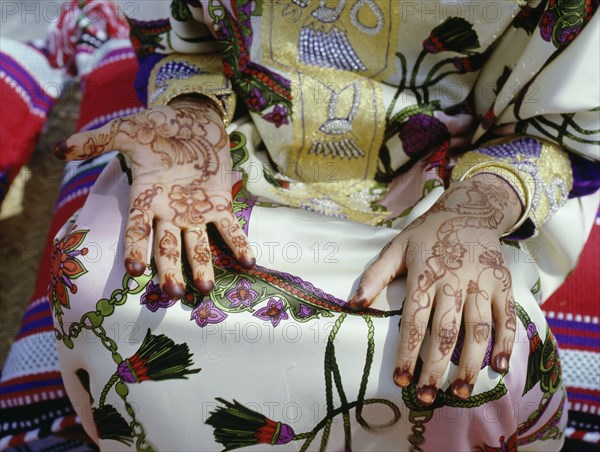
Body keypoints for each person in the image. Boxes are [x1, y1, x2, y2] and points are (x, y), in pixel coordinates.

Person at [47, 0, 599, 450]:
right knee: (97, 280)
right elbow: (185, 38)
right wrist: (192, 113)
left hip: (456, 177)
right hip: (235, 145)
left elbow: (557, 121)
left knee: (468, 361)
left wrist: (474, 211)